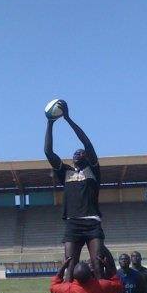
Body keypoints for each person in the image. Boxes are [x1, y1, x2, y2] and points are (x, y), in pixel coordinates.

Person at [44, 100, 104, 281]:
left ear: (87, 157)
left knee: (97, 264)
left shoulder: (93, 170)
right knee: (70, 266)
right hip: (72, 224)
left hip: (92, 223)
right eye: (75, 152)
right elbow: (48, 151)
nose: (77, 153)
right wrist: (50, 123)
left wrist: (68, 119)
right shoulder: (66, 173)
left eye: (81, 152)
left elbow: (86, 142)